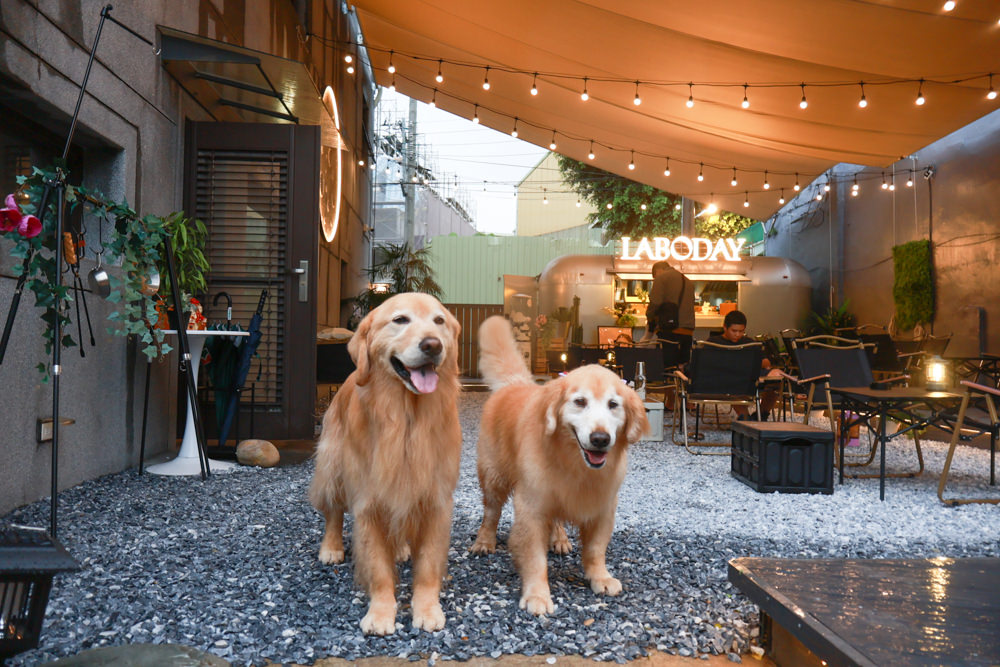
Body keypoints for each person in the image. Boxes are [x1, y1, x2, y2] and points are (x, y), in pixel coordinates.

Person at [707, 310, 781, 421]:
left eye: (741, 331)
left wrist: (747, 362)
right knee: (733, 378)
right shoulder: (713, 343)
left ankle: (762, 413)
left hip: (750, 376)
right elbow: (708, 365)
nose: (738, 334)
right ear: (725, 328)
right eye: (734, 331)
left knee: (777, 376)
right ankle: (745, 416)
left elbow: (766, 362)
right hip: (726, 379)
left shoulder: (749, 343)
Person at [642, 260, 695, 364]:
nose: (654, 279)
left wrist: (649, 317)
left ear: (657, 271)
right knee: (682, 366)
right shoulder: (688, 281)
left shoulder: (661, 278)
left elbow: (655, 303)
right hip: (688, 332)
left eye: (654, 276)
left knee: (667, 368)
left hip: (670, 331)